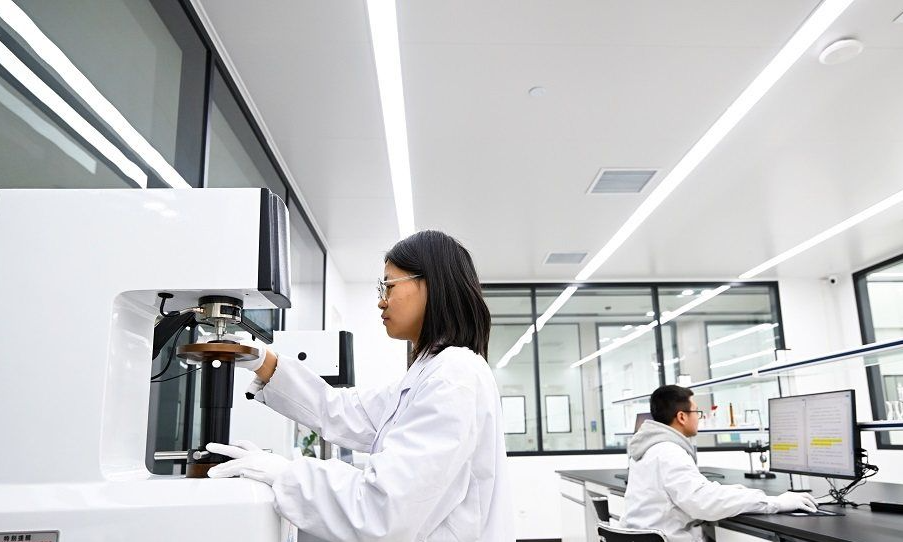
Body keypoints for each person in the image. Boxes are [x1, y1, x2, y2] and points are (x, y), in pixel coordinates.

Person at [205, 230, 514, 542]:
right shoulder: (430, 372)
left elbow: (383, 511)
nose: (381, 301)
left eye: (389, 286)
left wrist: (284, 473)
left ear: (432, 285)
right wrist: (264, 361)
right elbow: (342, 410)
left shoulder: (453, 377)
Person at [620, 385, 817, 542]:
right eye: (697, 411)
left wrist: (738, 492)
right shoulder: (669, 452)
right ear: (681, 416)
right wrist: (774, 503)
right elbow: (704, 502)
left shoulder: (650, 448)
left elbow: (696, 493)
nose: (699, 417)